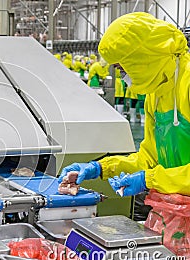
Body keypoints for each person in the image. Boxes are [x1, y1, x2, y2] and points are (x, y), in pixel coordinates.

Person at [59, 12, 190, 197]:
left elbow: (152, 172)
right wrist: (100, 167)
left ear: (141, 59)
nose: (122, 76)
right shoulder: (157, 94)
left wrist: (149, 180)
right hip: (178, 210)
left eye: (122, 68)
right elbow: (149, 159)